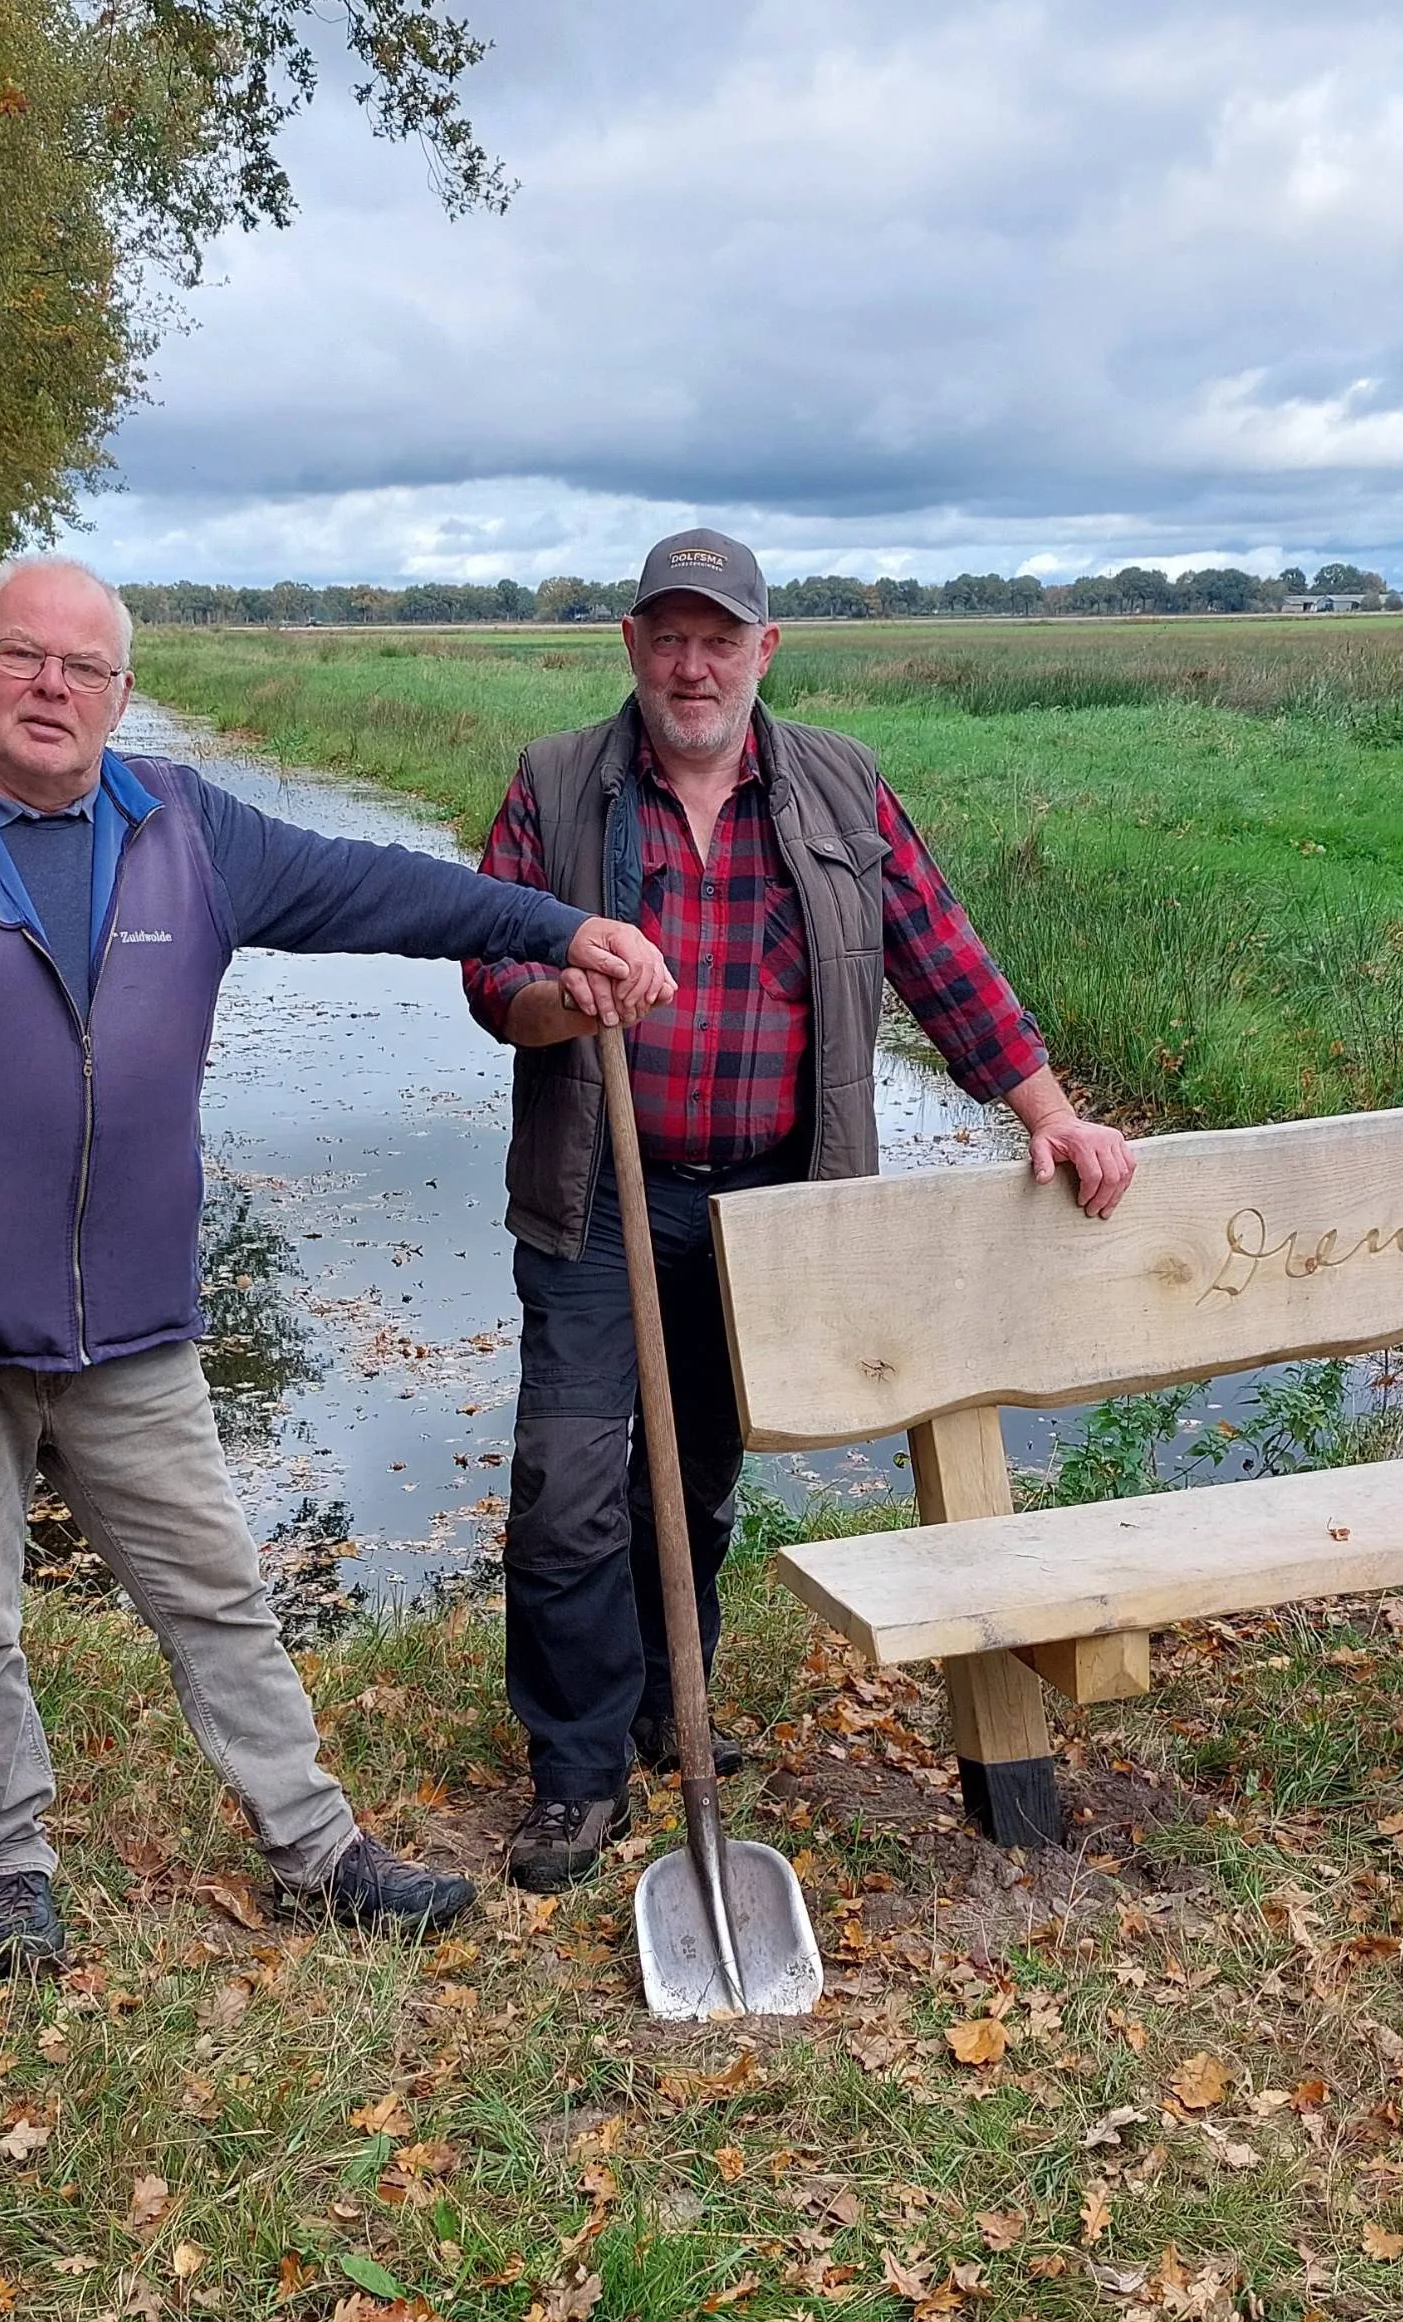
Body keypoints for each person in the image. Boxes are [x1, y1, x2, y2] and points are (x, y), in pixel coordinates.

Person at [0, 555, 675, 1971]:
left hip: (129, 1322)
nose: (55, 688)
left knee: (217, 1590)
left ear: (122, 693)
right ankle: (6, 1864)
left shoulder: (181, 827)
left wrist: (556, 927)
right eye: (26, 657)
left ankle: (317, 1850)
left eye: (86, 668)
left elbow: (375, 889)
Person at [462, 529, 1137, 1890]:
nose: (692, 664)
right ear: (632, 648)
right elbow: (490, 979)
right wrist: (558, 998)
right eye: (669, 636)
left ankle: (672, 1705)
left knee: (695, 1481)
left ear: (766, 650)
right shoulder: (554, 788)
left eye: (721, 638)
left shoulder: (839, 787)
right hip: (604, 1200)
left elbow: (945, 959)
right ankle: (577, 1775)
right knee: (569, 1484)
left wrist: (1051, 1114)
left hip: (774, 1204)